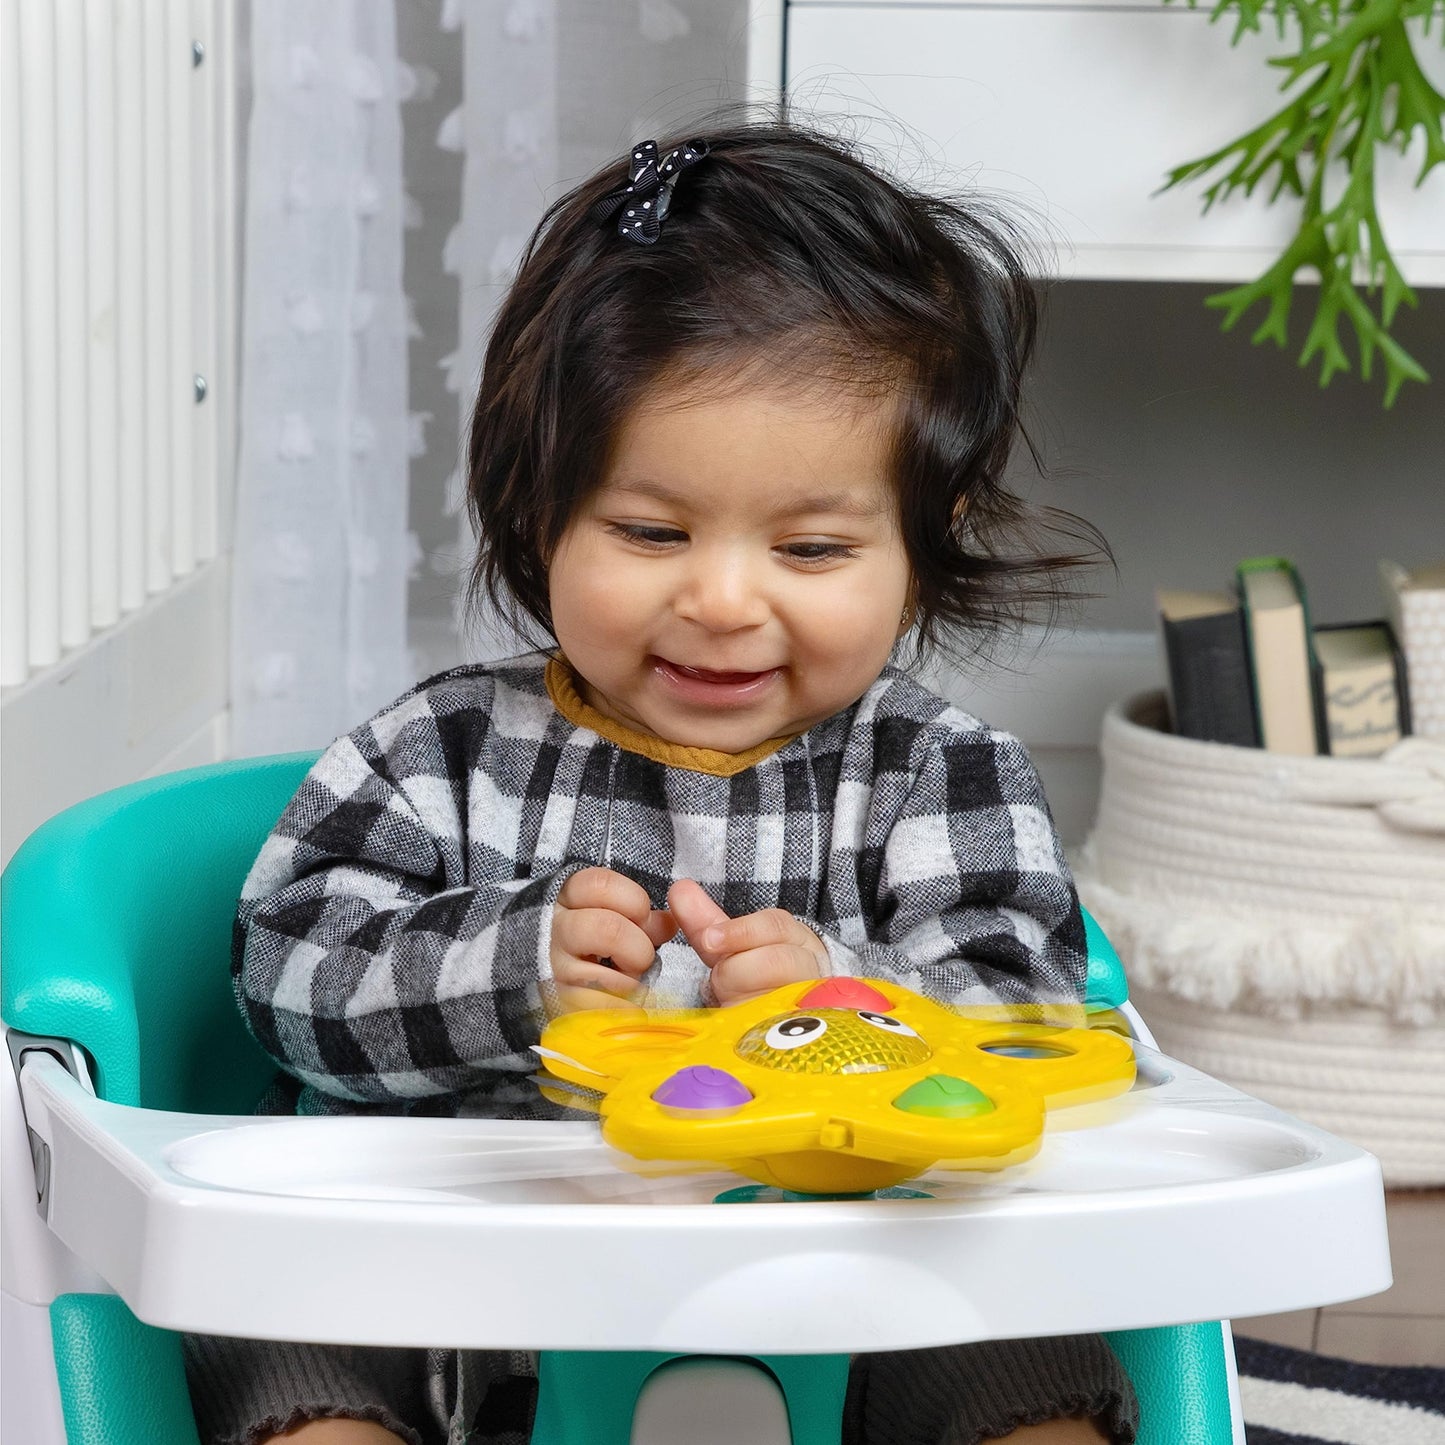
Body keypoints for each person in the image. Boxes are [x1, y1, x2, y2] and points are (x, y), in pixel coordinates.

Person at [185, 119, 1138, 1445]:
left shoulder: (940, 774)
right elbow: (284, 982)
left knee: (1024, 1336)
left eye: (809, 546)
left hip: (854, 1302)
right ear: (537, 511)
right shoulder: (442, 753)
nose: (721, 599)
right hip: (478, 1303)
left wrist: (845, 1001)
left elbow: (1028, 1018)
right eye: (649, 530)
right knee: (272, 1303)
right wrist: (506, 960)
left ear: (924, 543)